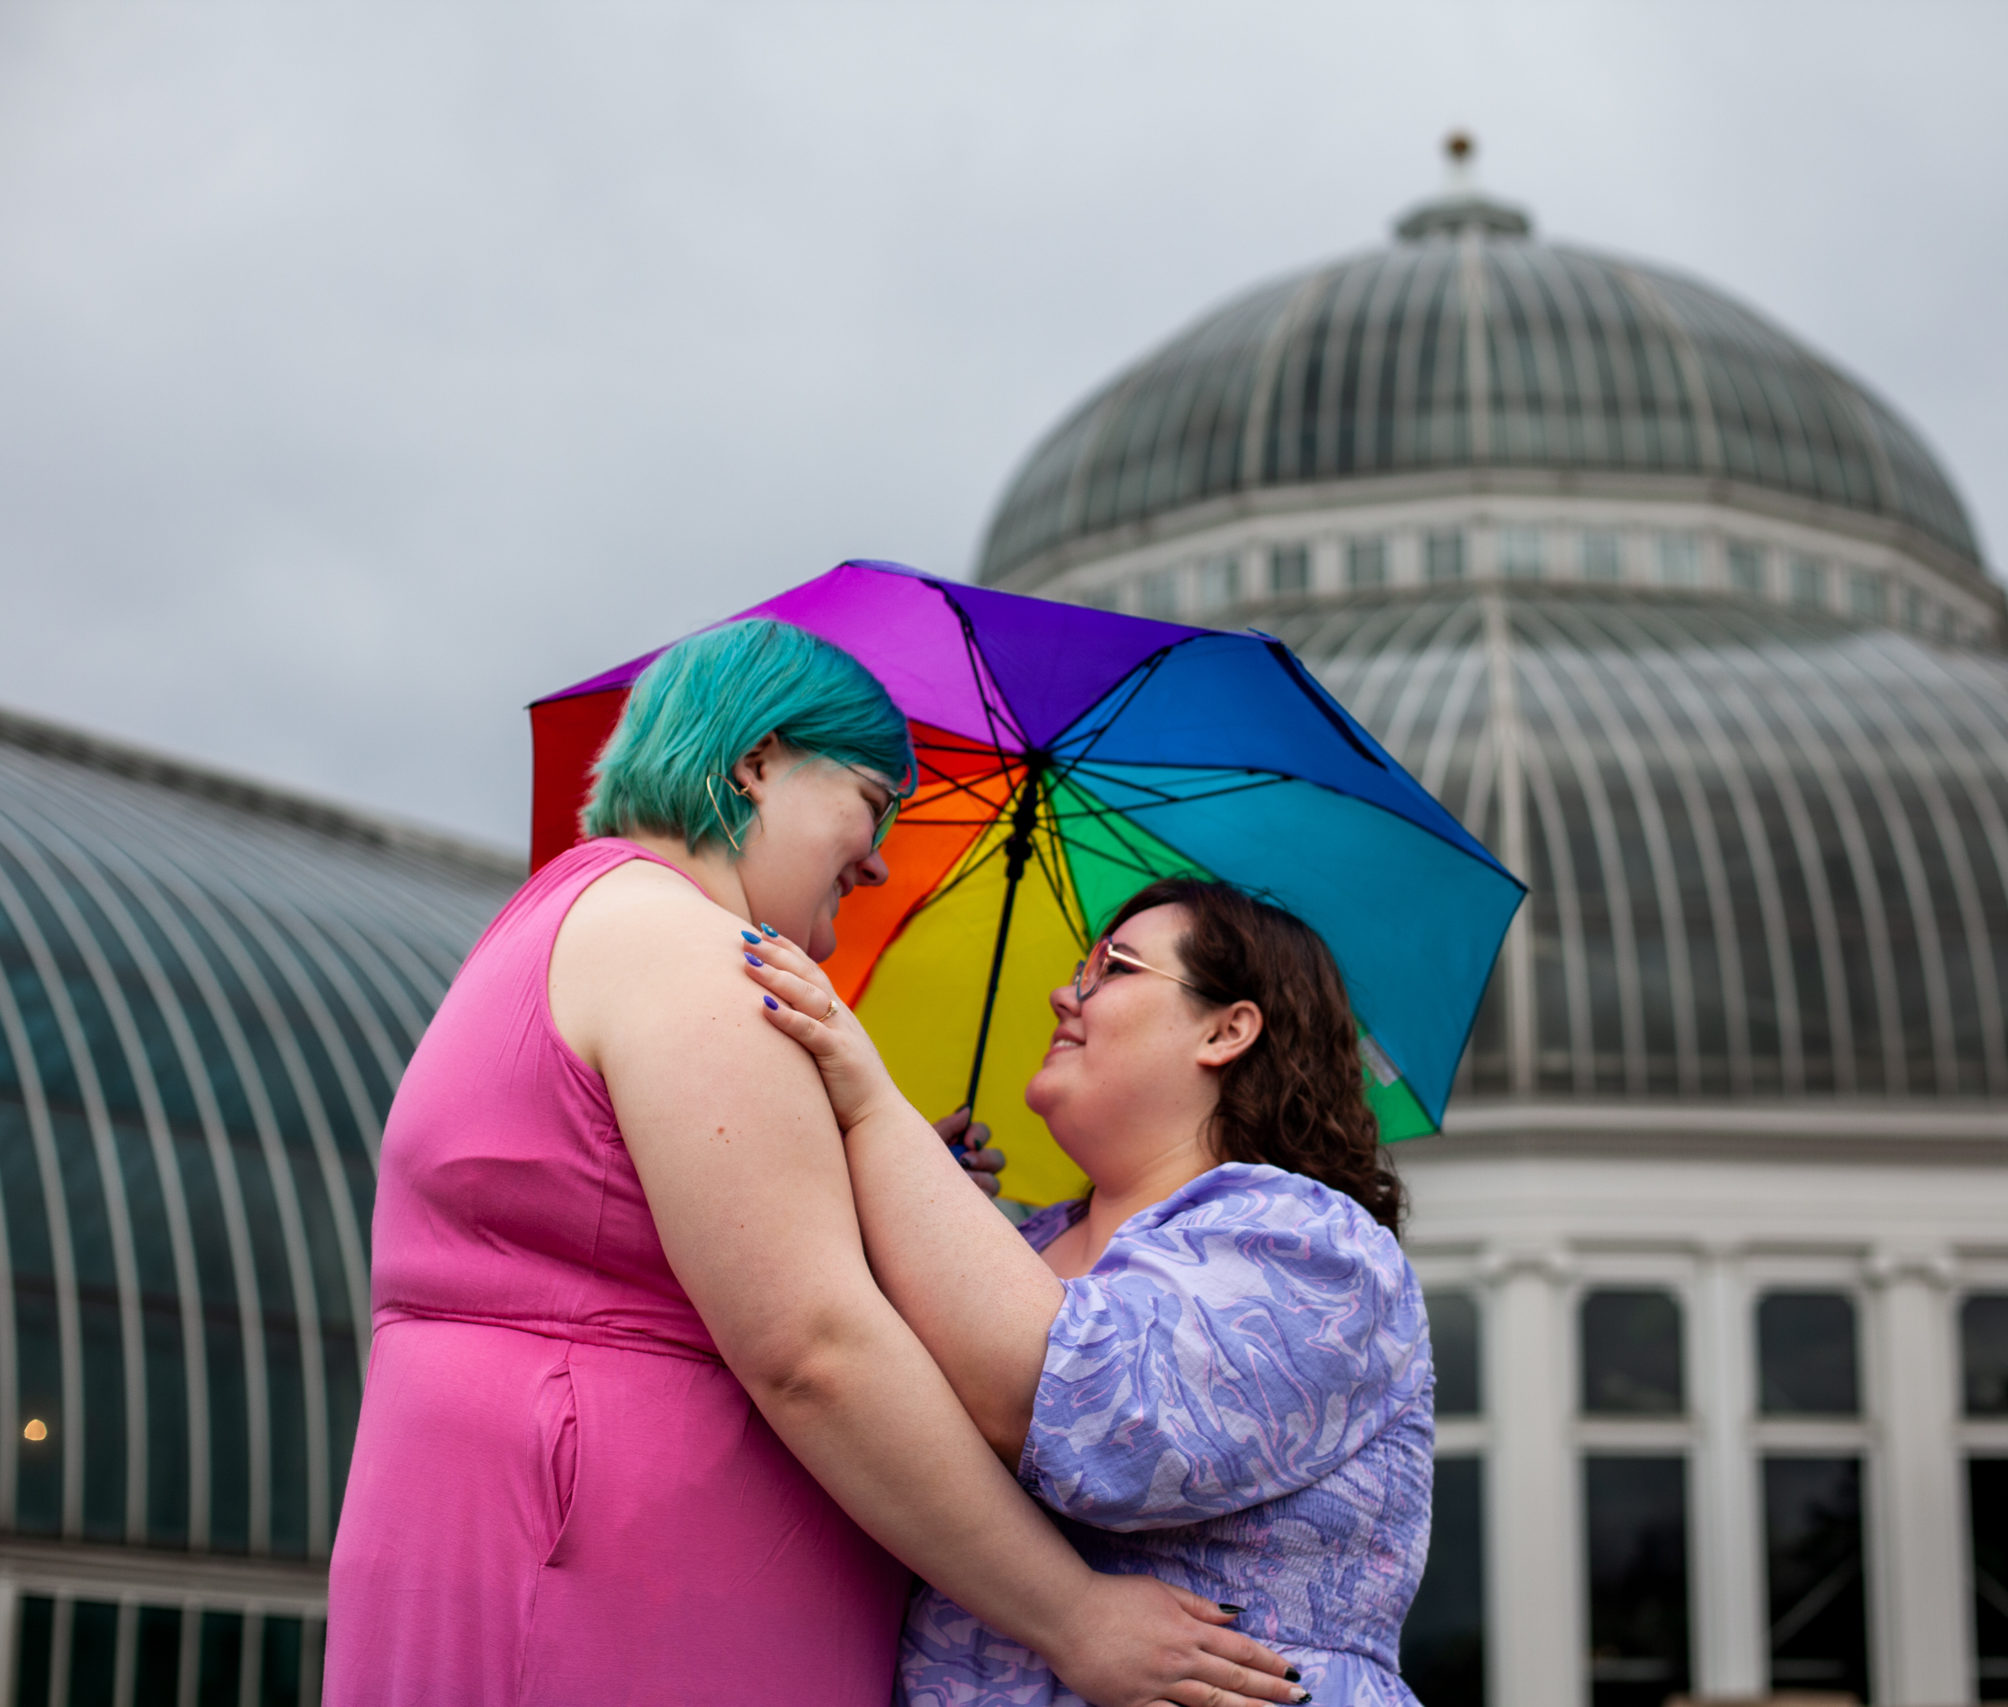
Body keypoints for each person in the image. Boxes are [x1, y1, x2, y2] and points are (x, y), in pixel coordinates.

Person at [325, 622, 1303, 1707]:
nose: (879, 857)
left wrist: (876, 1187)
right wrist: (1073, 1618)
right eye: (875, 801)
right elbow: (812, 1347)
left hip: (546, 1543)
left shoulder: (570, 918)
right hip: (616, 1586)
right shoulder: (691, 950)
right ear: (757, 765)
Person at [747, 877, 1438, 1707]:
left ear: (1228, 1028)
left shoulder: (1315, 1246)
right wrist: (901, 1214)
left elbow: (1089, 1415)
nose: (1062, 994)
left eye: (1111, 967)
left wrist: (876, 1118)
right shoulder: (1020, 1242)